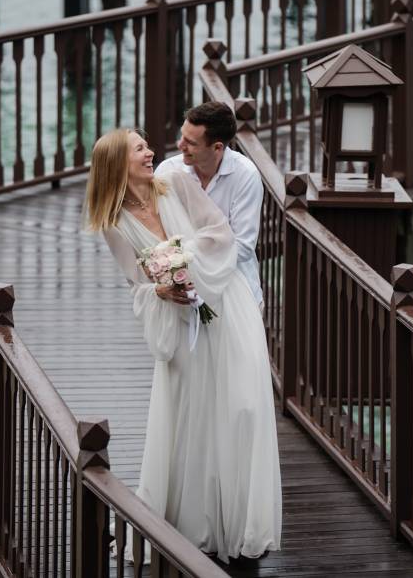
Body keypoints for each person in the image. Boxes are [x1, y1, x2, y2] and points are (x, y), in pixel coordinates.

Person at [84, 127, 282, 562]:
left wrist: (186, 259)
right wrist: (161, 287)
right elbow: (135, 284)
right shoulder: (114, 224)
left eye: (146, 146)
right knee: (194, 415)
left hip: (226, 303)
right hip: (179, 320)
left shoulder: (175, 183)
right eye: (140, 148)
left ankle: (241, 520)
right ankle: (194, 522)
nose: (150, 152)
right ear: (118, 163)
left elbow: (220, 233)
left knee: (243, 406)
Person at [156, 101, 264, 306]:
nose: (180, 145)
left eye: (191, 143)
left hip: (236, 292)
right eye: (182, 136)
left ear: (217, 147)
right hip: (181, 296)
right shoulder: (166, 171)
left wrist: (185, 261)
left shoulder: (245, 175)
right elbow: (157, 231)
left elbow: (243, 247)